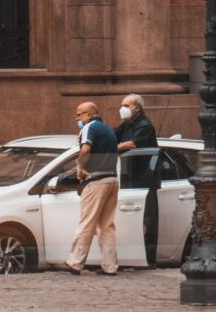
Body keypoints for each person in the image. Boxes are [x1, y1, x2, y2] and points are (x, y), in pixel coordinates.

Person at [62, 102, 120, 276]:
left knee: (87, 222)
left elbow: (86, 149)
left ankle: (75, 262)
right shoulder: (108, 130)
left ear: (88, 114)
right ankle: (110, 266)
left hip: (96, 180)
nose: (77, 118)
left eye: (79, 114)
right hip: (112, 179)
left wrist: (80, 167)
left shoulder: (89, 128)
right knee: (107, 226)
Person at [114, 94, 159, 267]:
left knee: (147, 221)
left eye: (126, 105)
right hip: (129, 178)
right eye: (121, 104)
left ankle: (149, 259)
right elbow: (114, 134)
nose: (122, 108)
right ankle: (133, 257)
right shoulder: (126, 124)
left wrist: (110, 148)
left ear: (136, 108)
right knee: (130, 221)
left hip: (145, 179)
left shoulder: (144, 125)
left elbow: (131, 145)